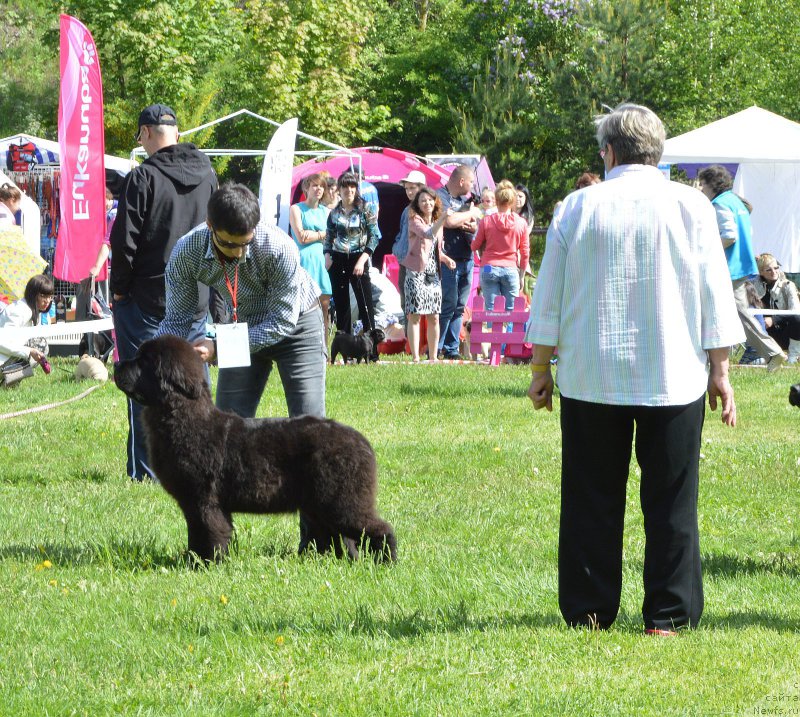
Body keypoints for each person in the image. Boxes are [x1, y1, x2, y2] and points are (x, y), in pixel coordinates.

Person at [527, 103, 743, 635]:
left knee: (589, 498)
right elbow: (716, 293)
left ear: (609, 152)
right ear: (658, 151)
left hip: (590, 374)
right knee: (672, 500)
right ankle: (667, 615)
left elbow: (548, 294)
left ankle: (590, 612)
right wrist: (721, 370)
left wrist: (539, 366)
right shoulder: (693, 207)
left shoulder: (576, 208)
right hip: (673, 375)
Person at [157, 183, 326, 552]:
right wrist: (154, 357)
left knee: (309, 429)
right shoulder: (187, 253)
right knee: (223, 433)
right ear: (209, 225)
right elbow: (178, 319)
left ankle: (316, 544)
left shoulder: (279, 247)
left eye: (245, 243)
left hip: (298, 324)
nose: (238, 251)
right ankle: (216, 540)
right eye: (229, 243)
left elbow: (281, 322)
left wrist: (221, 347)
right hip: (239, 328)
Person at [110, 103, 217, 482]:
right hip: (196, 299)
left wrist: (119, 291)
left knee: (142, 384)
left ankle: (145, 473)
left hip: (148, 301)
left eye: (140, 136)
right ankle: (202, 464)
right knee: (195, 387)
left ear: (147, 133)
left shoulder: (142, 177)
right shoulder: (208, 175)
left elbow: (124, 242)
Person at [698, 164, 786, 371]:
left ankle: (772, 352)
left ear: (712, 185)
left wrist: (707, 249)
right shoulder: (735, 202)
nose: (701, 190)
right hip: (740, 264)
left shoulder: (719, 204)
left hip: (728, 268)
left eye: (703, 185)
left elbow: (729, 235)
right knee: (735, 312)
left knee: (739, 313)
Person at [401, 187, 455, 362]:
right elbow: (427, 234)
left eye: (430, 200)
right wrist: (444, 219)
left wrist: (446, 259)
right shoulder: (414, 219)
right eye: (423, 200)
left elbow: (435, 249)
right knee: (415, 314)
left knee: (434, 315)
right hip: (416, 272)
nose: (427, 203)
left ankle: (433, 357)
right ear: (417, 204)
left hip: (433, 274)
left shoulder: (437, 221)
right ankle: (416, 357)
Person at [324, 171, 380, 335]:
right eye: (345, 186)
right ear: (338, 190)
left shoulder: (365, 209)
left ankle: (371, 349)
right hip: (338, 258)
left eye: (352, 186)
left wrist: (363, 260)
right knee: (342, 305)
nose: (349, 190)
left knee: (365, 304)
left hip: (359, 257)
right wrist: (327, 255)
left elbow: (374, 236)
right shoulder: (334, 213)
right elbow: (329, 236)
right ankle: (345, 347)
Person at [437, 164, 482, 359]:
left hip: (467, 258)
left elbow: (469, 224)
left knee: (459, 306)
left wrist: (470, 224)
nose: (472, 186)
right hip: (448, 259)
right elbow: (449, 221)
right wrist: (470, 214)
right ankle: (437, 347)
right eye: (471, 182)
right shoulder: (440, 196)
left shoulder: (463, 201)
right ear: (462, 181)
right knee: (448, 303)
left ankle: (452, 349)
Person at [471, 180, 530, 313]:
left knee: (491, 311)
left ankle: (492, 332)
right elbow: (525, 253)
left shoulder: (486, 221)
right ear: (513, 201)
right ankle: (509, 333)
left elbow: (474, 246)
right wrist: (521, 274)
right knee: (512, 312)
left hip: (488, 268)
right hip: (511, 269)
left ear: (496, 201)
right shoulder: (521, 223)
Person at [289, 173, 332, 337]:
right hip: (304, 262)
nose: (319, 189)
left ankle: (325, 351)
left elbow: (332, 237)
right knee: (302, 309)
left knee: (324, 308)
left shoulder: (327, 212)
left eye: (321, 186)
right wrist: (323, 234)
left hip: (322, 262)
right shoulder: (296, 209)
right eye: (314, 185)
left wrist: (313, 234)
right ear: (306, 188)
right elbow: (301, 237)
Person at [0, 274, 53, 375]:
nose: (47, 301)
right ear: (33, 294)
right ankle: (8, 380)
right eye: (43, 296)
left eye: (50, 296)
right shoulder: (19, 310)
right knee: (40, 344)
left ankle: (10, 380)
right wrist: (29, 351)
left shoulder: (34, 309)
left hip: (5, 357)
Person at [752, 253, 800, 363]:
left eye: (776, 268)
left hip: (785, 333)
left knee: (798, 319)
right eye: (768, 270)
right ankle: (762, 355)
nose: (774, 272)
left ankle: (793, 356)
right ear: (761, 272)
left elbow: (795, 312)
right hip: (762, 332)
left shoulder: (788, 285)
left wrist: (773, 319)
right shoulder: (753, 285)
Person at [392, 170, 427, 318]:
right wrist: (397, 248)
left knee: (420, 306)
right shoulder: (407, 210)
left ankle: (418, 340)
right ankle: (410, 340)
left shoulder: (428, 209)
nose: (409, 192)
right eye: (407, 188)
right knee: (406, 304)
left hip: (420, 264)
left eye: (412, 188)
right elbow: (401, 233)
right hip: (404, 262)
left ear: (421, 188)